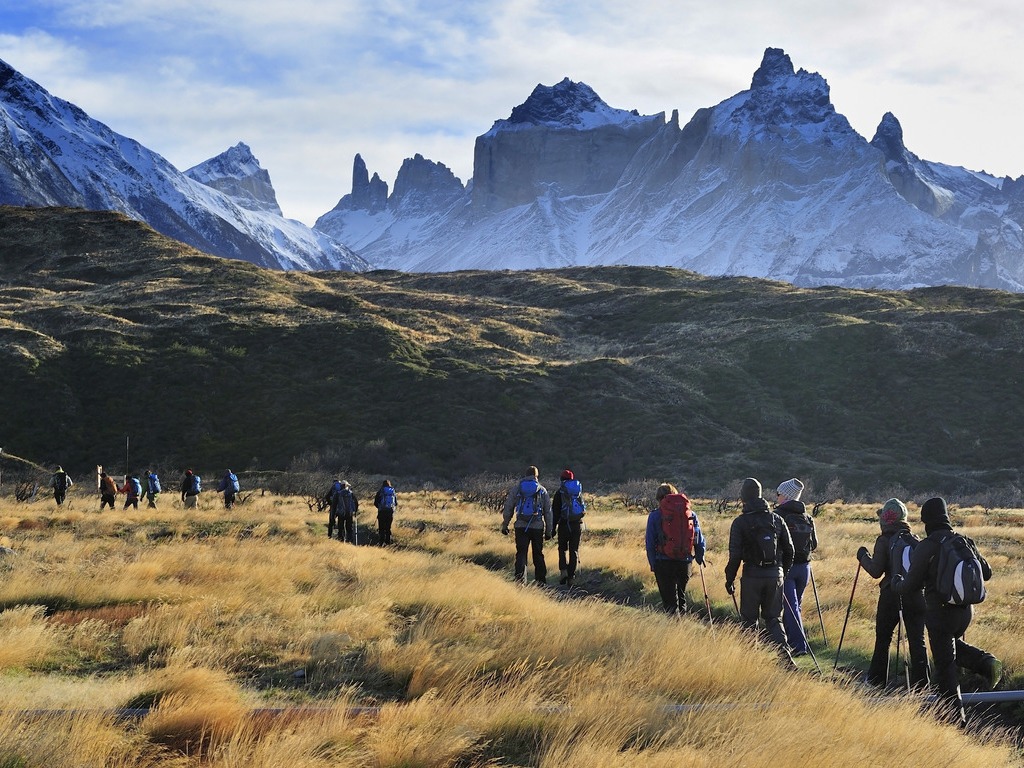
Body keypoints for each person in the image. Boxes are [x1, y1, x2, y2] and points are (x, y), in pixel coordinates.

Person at [894, 497, 1002, 725]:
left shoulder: (928, 545)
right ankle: (986, 662)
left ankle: (955, 721)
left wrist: (896, 584)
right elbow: (987, 572)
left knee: (945, 669)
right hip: (965, 612)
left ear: (927, 520)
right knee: (948, 649)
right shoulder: (963, 540)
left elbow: (911, 584)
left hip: (940, 614)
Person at [857, 498, 928, 689]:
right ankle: (923, 686)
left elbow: (876, 571)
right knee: (917, 640)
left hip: (891, 595)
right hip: (916, 595)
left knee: (883, 638)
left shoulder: (884, 540)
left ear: (885, 520)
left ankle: (876, 681)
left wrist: (862, 556)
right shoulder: (914, 540)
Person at [724, 477, 795, 659]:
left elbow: (735, 556)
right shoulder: (777, 519)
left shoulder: (740, 522)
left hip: (751, 577)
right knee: (774, 618)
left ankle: (749, 660)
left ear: (743, 497)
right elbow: (790, 550)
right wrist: (782, 573)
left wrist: (729, 579)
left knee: (749, 620)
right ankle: (785, 657)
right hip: (775, 576)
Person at [645, 482, 706, 615]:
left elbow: (650, 543)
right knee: (681, 598)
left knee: (669, 603)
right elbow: (698, 538)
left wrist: (653, 564)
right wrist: (700, 556)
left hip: (663, 562)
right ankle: (682, 623)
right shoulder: (690, 514)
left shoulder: (655, 516)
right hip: (685, 561)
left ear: (659, 499)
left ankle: (673, 625)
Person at [775, 478, 817, 656]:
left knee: (790, 607)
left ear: (785, 496)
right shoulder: (807, 517)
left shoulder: (779, 516)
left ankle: (798, 646)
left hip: (787, 568)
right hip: (805, 568)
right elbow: (814, 544)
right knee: (795, 606)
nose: (776, 497)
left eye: (778, 494)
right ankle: (793, 642)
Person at [501, 466, 553, 584]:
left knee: (521, 554)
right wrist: (548, 531)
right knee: (538, 554)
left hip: (521, 526)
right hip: (537, 527)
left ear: (525, 475)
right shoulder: (542, 490)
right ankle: (541, 581)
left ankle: (520, 581)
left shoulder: (517, 488)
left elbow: (508, 507)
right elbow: (548, 512)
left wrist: (505, 525)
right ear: (536, 476)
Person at [552, 469, 585, 586]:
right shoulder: (577, 491)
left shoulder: (559, 493)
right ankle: (571, 577)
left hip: (564, 524)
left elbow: (555, 512)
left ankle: (563, 571)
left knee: (562, 549)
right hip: (577, 524)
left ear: (562, 479)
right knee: (574, 550)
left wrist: (552, 528)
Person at [373, 480, 397, 545]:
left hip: (382, 512)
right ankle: (388, 542)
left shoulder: (380, 491)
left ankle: (381, 542)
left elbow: (375, 503)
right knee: (388, 528)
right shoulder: (392, 491)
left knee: (381, 528)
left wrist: (380, 507)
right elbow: (395, 503)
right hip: (390, 512)